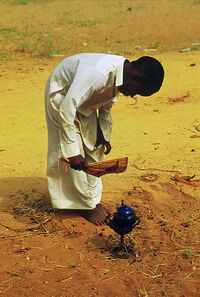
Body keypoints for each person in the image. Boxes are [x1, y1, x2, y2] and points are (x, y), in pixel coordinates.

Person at [44, 53, 164, 225]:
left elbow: (106, 102)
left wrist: (103, 134)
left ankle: (91, 200)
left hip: (85, 101)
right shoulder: (97, 73)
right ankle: (83, 206)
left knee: (95, 148)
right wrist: (72, 152)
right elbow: (67, 107)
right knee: (73, 152)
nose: (132, 95)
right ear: (137, 76)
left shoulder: (123, 73)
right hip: (62, 96)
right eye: (137, 91)